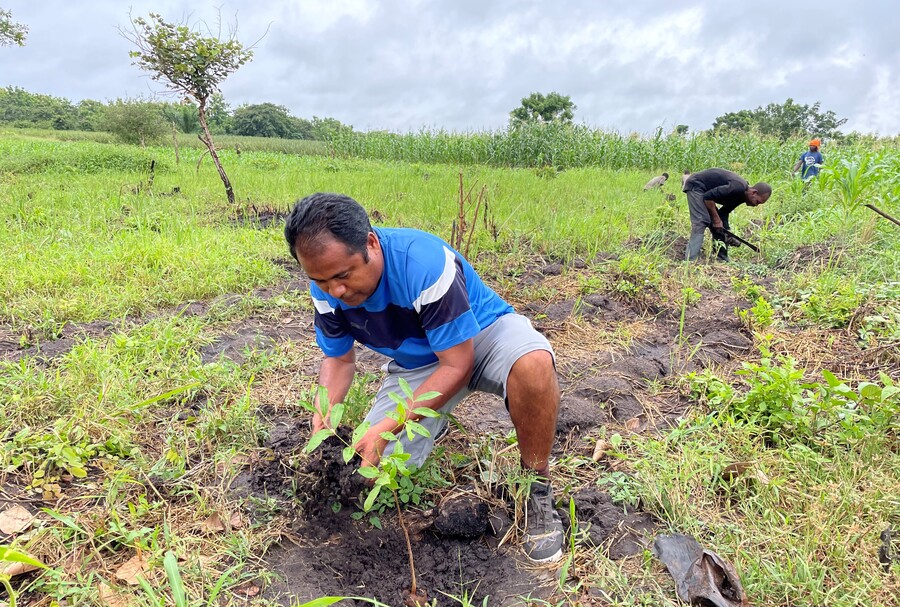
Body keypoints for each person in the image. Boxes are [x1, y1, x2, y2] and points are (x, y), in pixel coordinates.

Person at [284, 192, 564, 563]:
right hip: (419, 364)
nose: (336, 290)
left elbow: (457, 364)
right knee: (376, 474)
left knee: (533, 364)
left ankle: (537, 485)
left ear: (370, 242)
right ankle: (433, 414)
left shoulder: (423, 264)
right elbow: (338, 361)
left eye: (343, 275)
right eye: (320, 279)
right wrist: (323, 416)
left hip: (480, 336)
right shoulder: (326, 288)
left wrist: (390, 424)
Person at [682, 168, 771, 262]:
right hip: (697, 185)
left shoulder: (741, 197)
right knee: (701, 221)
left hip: (705, 193)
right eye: (757, 202)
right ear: (754, 192)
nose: (755, 205)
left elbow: (723, 213)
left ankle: (722, 258)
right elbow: (707, 198)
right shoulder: (738, 188)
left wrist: (727, 233)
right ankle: (690, 260)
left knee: (719, 226)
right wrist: (716, 220)